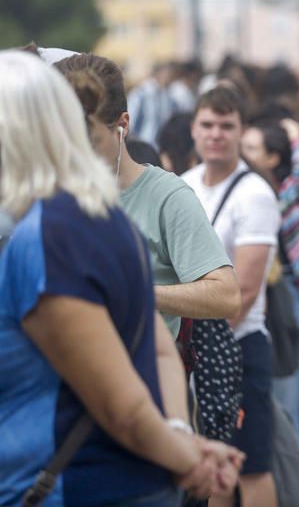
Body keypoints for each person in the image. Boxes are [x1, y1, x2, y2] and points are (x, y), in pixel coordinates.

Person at [0, 51, 242, 506]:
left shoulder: (53, 232)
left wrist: (186, 456)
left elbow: (124, 406)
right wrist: (180, 441)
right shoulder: (104, 215)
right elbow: (155, 350)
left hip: (81, 482)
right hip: (134, 466)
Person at [54, 54, 239, 341]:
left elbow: (225, 295)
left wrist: (139, 293)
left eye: (90, 139)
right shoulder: (52, 192)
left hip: (144, 372)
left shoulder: (167, 197)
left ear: (123, 125)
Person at [183, 86, 282, 507]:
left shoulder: (254, 193)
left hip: (238, 348)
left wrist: (201, 350)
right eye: (208, 124)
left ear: (242, 130)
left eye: (226, 125)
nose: (216, 134)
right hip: (190, 348)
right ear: (193, 129)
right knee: (212, 470)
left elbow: (243, 292)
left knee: (251, 467)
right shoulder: (183, 185)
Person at [241, 116, 299, 460]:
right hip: (265, 295)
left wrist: (296, 132)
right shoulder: (242, 192)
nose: (242, 153)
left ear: (273, 157)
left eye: (251, 148)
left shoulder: (285, 190)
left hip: (292, 295)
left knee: (292, 393)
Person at [128, 62, 177, 146]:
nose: (171, 78)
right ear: (158, 74)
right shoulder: (141, 94)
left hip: (158, 148)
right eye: (169, 74)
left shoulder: (168, 96)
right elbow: (130, 122)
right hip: (142, 146)